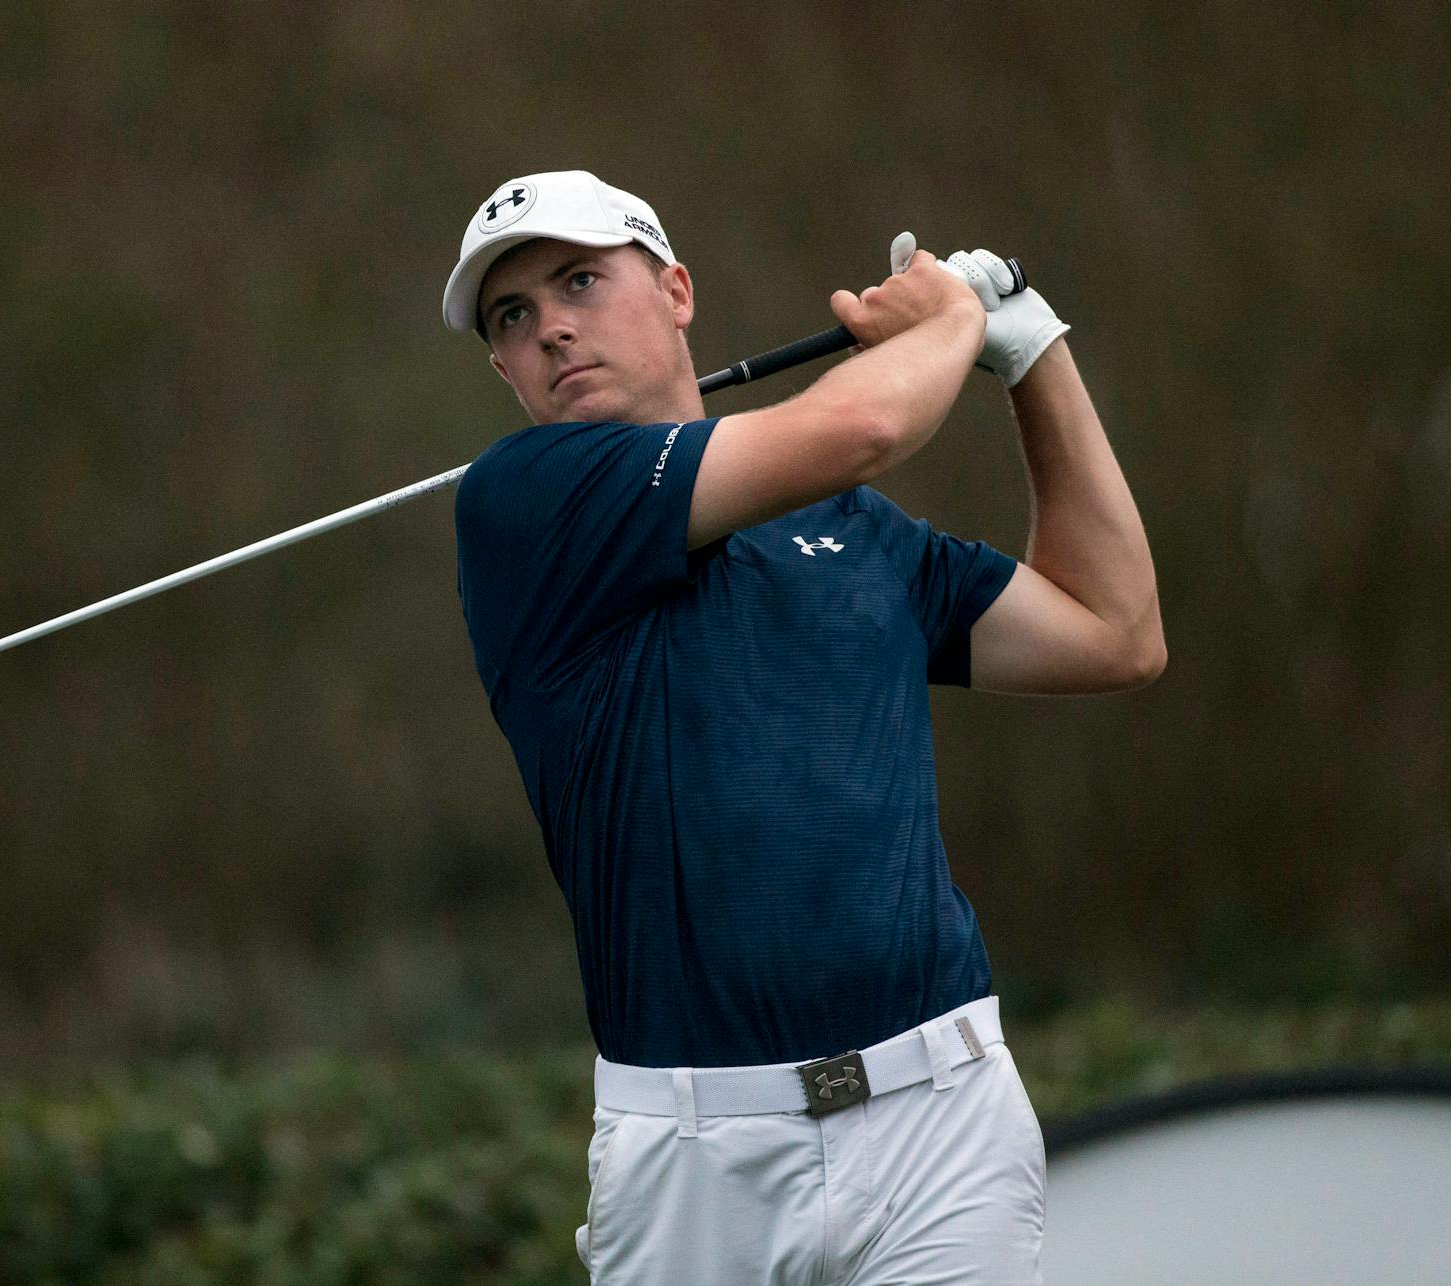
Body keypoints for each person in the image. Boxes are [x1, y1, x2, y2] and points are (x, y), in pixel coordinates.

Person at [444, 170, 1163, 1284]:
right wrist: (953, 321)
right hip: (696, 1160)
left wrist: (1031, 355)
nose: (551, 327)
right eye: (513, 316)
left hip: (944, 1123)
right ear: (501, 365)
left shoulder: (852, 533)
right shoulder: (524, 502)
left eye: (579, 280)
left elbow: (1114, 630)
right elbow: (868, 420)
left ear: (676, 291)